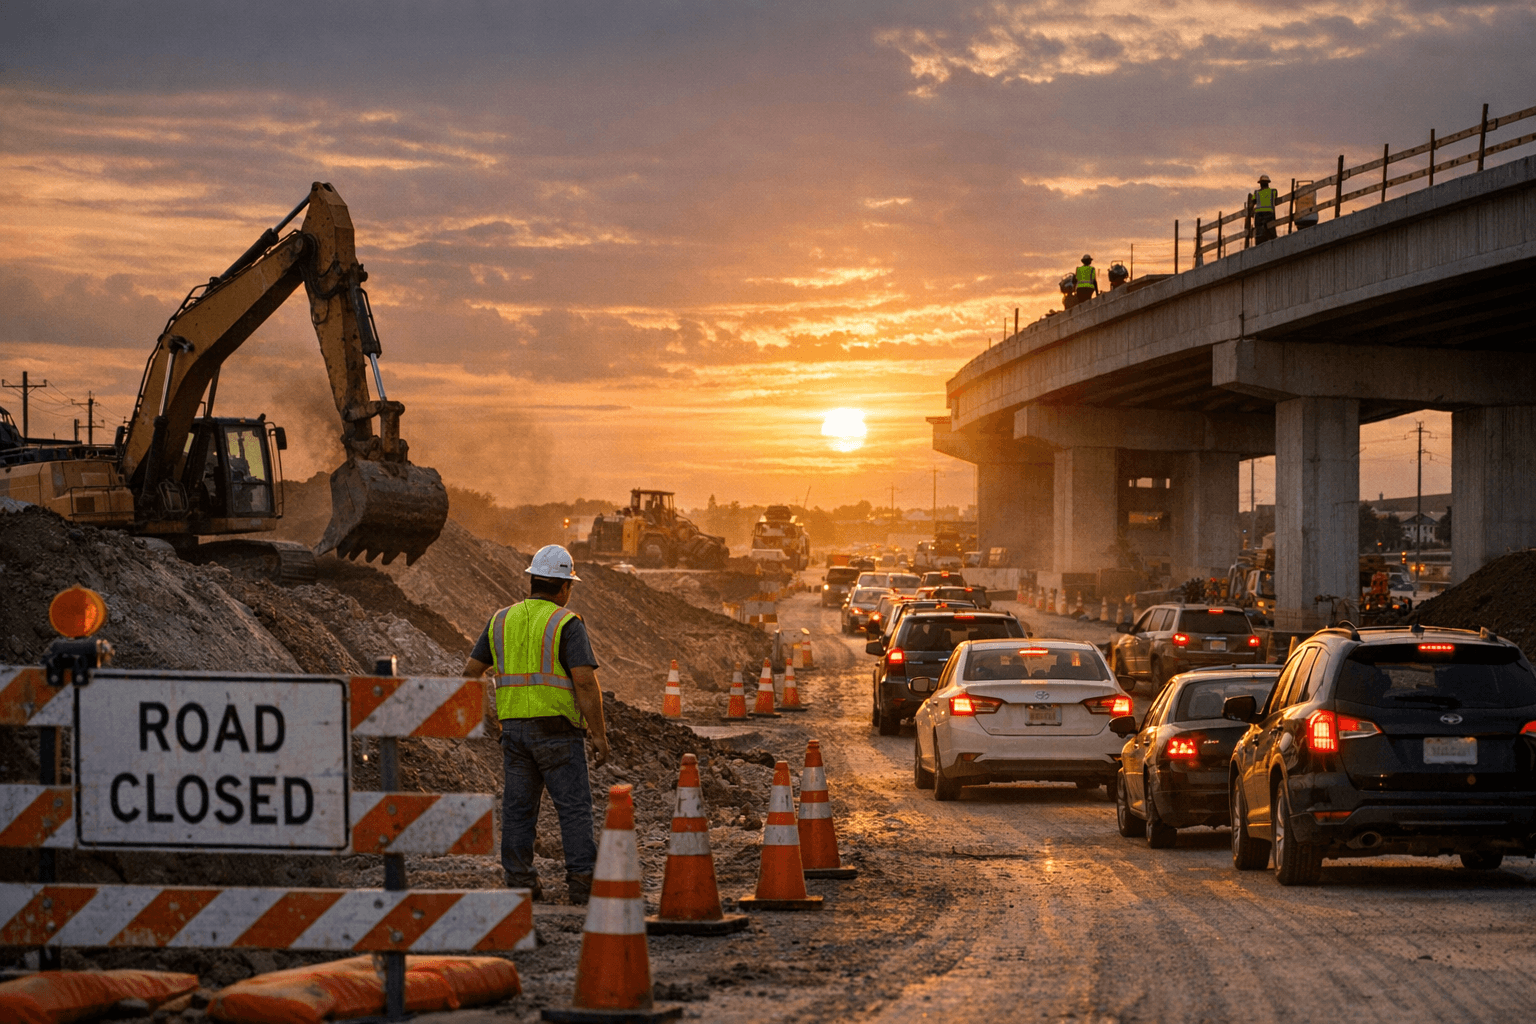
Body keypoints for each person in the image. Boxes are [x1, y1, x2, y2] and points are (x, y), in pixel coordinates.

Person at [462, 544, 610, 904]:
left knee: (517, 809)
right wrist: (600, 734)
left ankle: (520, 883)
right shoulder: (566, 623)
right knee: (573, 808)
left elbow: (470, 674)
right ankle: (581, 883)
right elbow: (585, 682)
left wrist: (488, 718)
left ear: (532, 581)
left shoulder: (500, 620)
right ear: (563, 587)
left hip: (514, 732)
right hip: (558, 731)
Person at [1252, 174, 1279, 243]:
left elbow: (1252, 201)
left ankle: (1259, 243)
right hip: (1269, 213)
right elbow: (1276, 196)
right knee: (1271, 232)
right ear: (1268, 183)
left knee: (1259, 233)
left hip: (1258, 215)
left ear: (1260, 184)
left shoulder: (1256, 192)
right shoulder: (1273, 191)